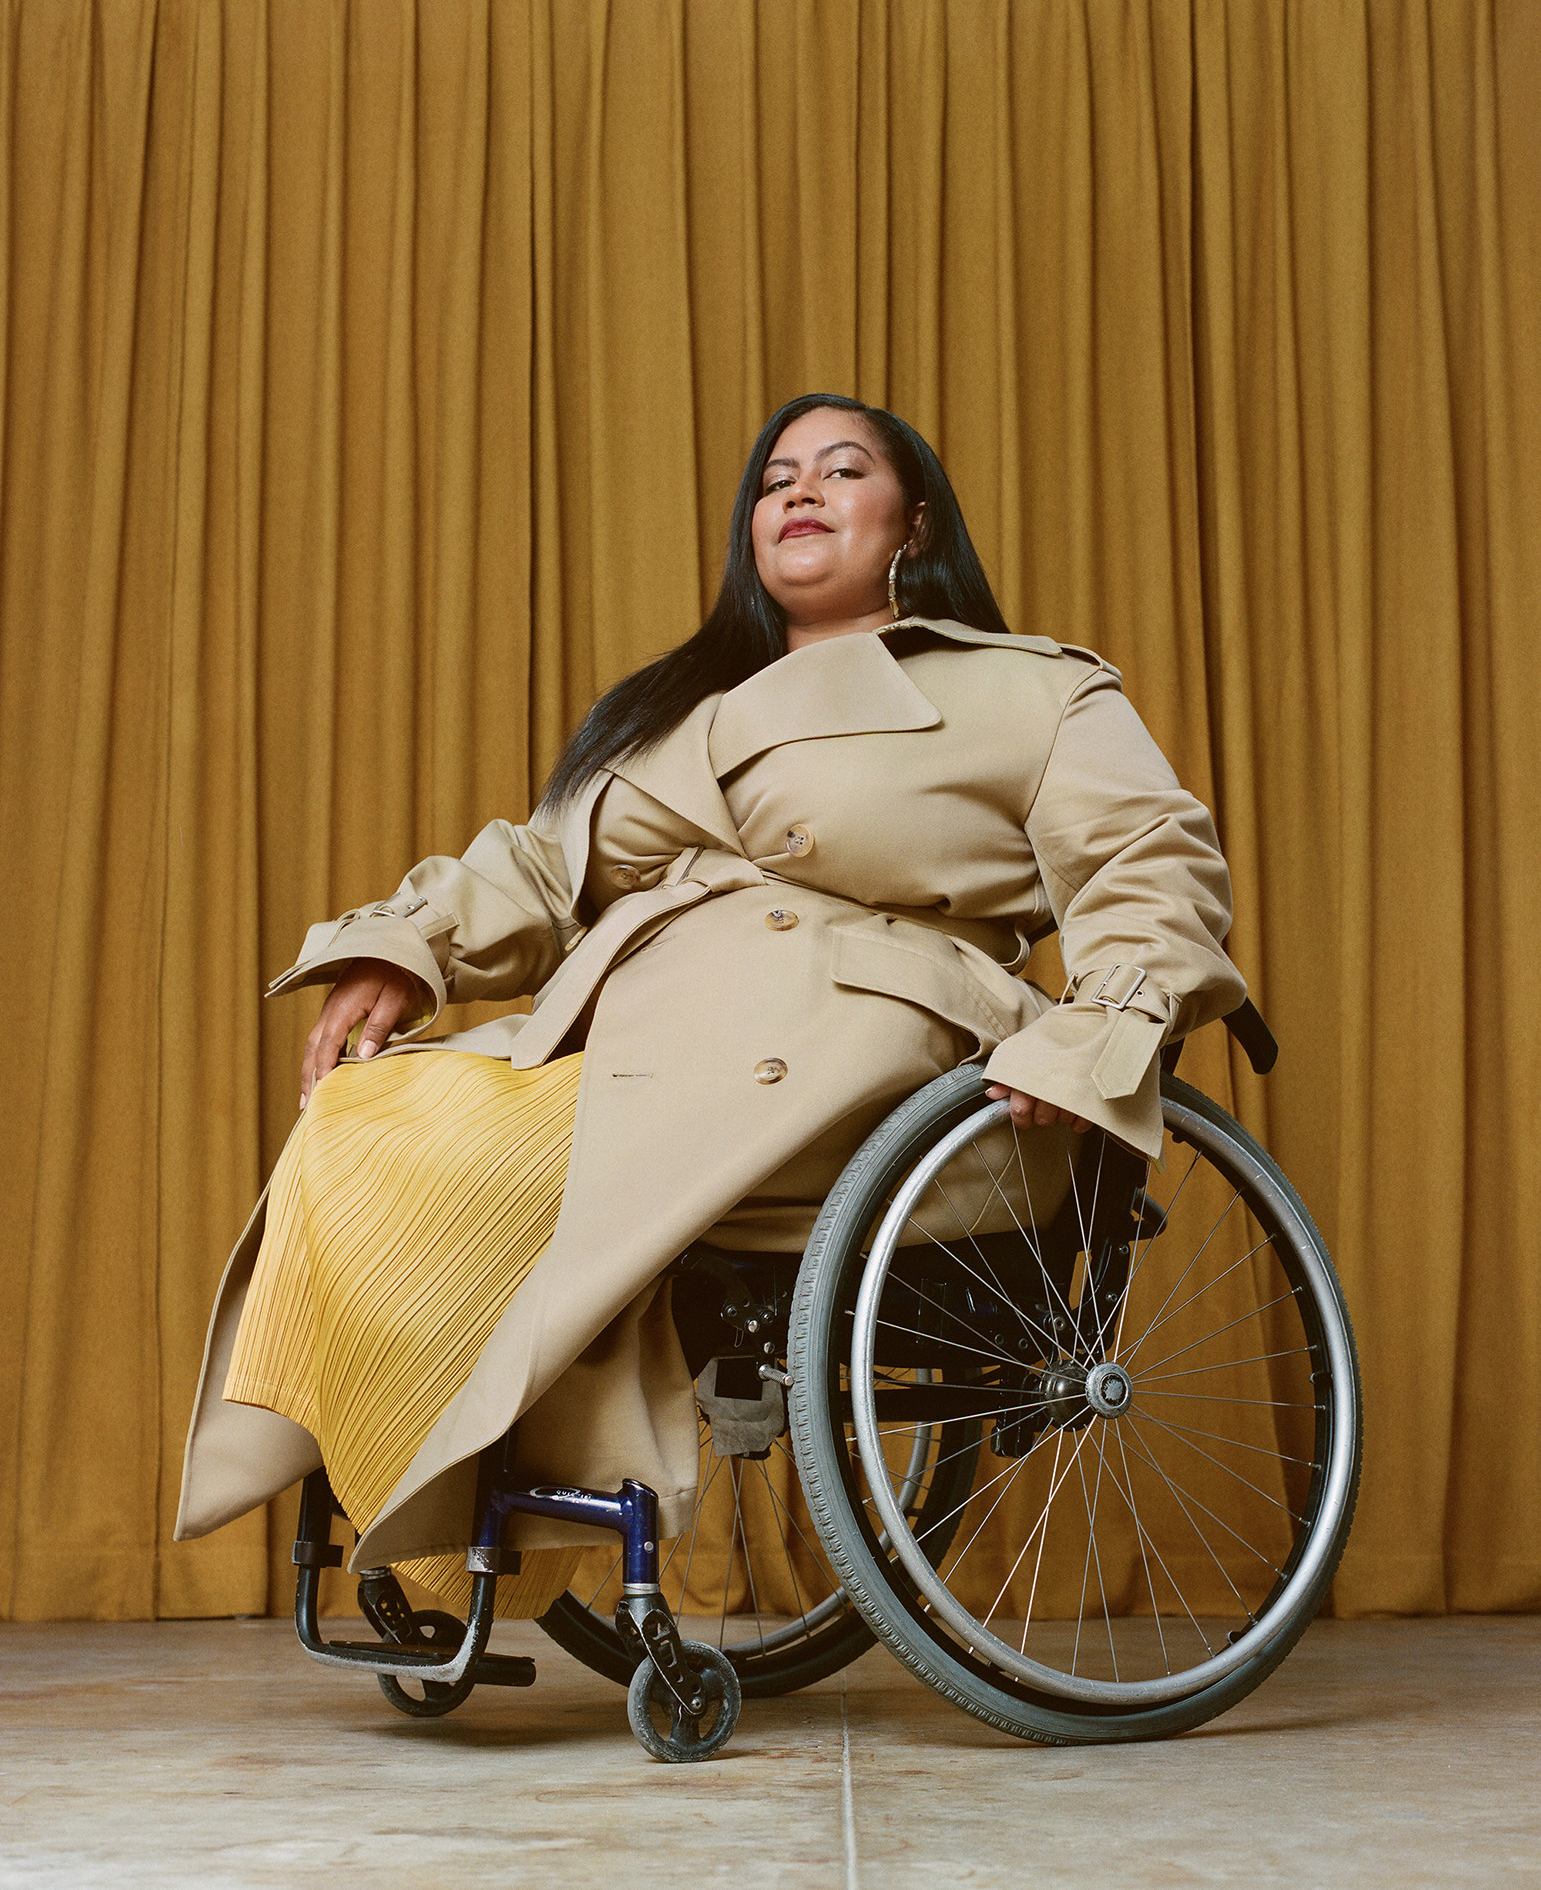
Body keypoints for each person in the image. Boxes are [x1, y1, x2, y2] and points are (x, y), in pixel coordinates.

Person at [175, 393, 1244, 1615]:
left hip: (850, 1054)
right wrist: (405, 946)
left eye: (841, 471)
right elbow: (541, 864)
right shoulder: (679, 709)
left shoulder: (1028, 694)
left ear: (914, 522)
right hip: (643, 1034)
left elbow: (1146, 865)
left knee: (470, 1158)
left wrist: (1091, 1032)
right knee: (363, 1115)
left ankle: (444, 1518)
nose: (797, 492)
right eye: (774, 478)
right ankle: (417, 1502)